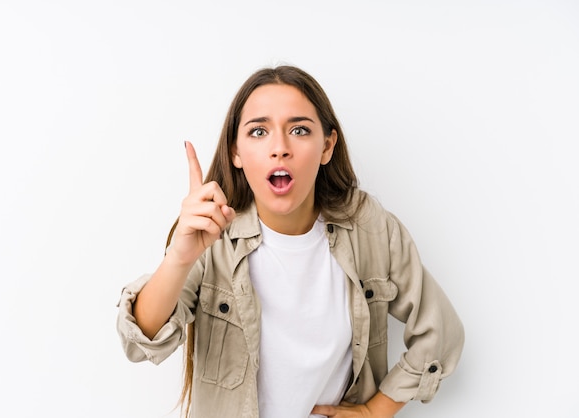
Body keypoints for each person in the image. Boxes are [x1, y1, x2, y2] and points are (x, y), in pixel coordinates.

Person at [116, 65, 464, 418]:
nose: (280, 148)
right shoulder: (209, 233)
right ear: (236, 151)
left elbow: (441, 332)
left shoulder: (368, 226)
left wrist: (377, 410)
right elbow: (140, 342)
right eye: (259, 131)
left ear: (326, 146)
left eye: (299, 130)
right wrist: (179, 257)